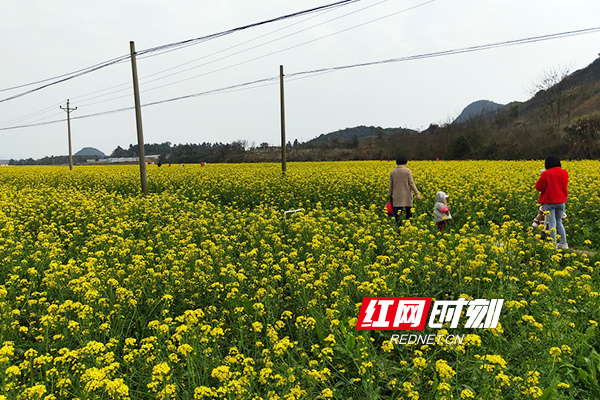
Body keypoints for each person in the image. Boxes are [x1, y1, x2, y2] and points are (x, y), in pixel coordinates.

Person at [535, 155, 569, 249]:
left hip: (549, 202)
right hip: (561, 201)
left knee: (552, 223)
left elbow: (539, 187)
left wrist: (542, 176)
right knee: (559, 222)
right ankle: (563, 243)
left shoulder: (546, 174)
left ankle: (553, 244)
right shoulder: (564, 172)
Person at [389, 157, 422, 226]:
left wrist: (390, 195)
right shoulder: (407, 171)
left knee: (398, 213)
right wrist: (417, 193)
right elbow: (411, 183)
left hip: (396, 196)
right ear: (405, 163)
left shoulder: (392, 171)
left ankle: (399, 228)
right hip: (406, 195)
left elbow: (391, 185)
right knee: (409, 212)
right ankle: (408, 227)